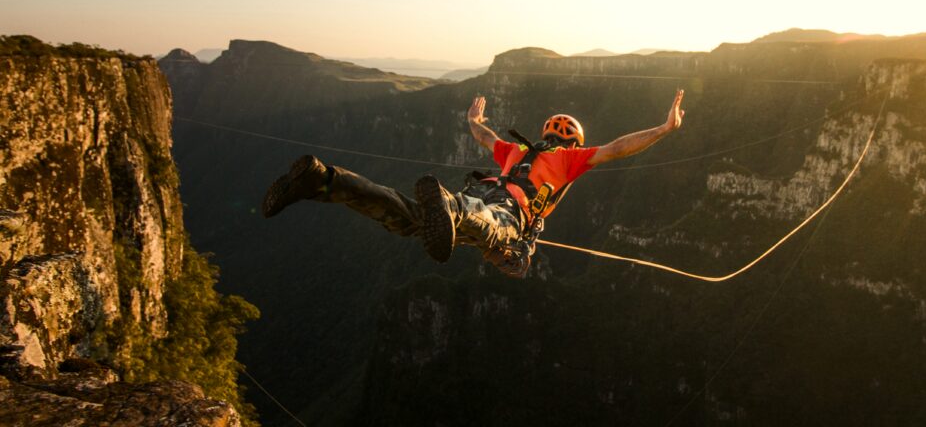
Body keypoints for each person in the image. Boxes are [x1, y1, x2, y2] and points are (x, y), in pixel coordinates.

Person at [262, 90, 685, 278]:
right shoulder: (569, 159)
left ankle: (324, 182)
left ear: (546, 133)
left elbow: (487, 139)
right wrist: (664, 129)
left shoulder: (519, 152)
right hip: (506, 212)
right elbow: (618, 147)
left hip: (480, 193)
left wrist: (472, 122)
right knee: (490, 230)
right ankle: (448, 206)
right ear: (573, 140)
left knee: (408, 220)